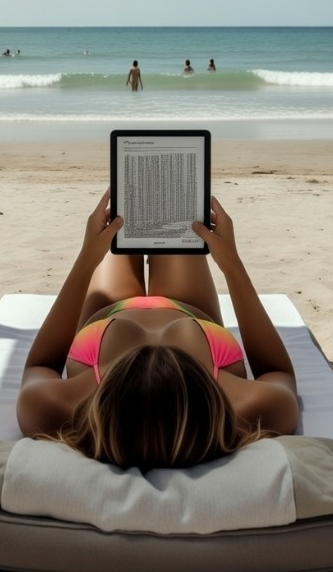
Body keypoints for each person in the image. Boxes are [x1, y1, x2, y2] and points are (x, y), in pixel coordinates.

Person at [17, 191, 298, 470]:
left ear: (110, 396)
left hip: (111, 308)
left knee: (128, 206)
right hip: (189, 307)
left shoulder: (54, 408)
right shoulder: (247, 407)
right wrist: (231, 264)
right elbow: (277, 371)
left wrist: (87, 259)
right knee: (171, 204)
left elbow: (41, 365)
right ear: (198, 392)